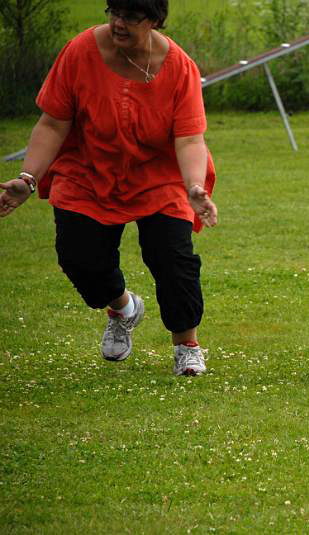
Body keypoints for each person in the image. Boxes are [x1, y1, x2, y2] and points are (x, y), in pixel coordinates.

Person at [0, 0, 218, 376]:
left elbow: (189, 141)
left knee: (173, 260)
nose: (118, 23)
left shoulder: (179, 68)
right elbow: (53, 124)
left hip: (158, 176)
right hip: (87, 171)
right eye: (113, 12)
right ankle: (123, 307)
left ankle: (187, 345)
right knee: (79, 259)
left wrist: (195, 187)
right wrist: (28, 178)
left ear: (154, 20)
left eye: (130, 17)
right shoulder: (80, 52)